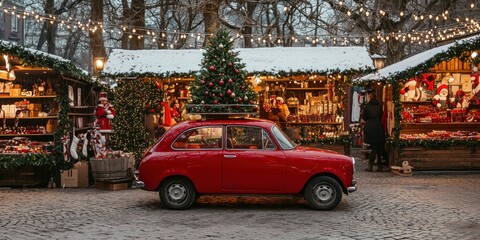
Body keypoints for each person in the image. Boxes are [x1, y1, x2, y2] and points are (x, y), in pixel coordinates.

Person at [362, 91, 388, 172]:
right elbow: (381, 116)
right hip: (378, 126)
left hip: (370, 127)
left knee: (374, 147)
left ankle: (371, 165)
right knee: (378, 146)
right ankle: (379, 165)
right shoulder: (380, 106)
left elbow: (364, 117)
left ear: (370, 97)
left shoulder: (367, 106)